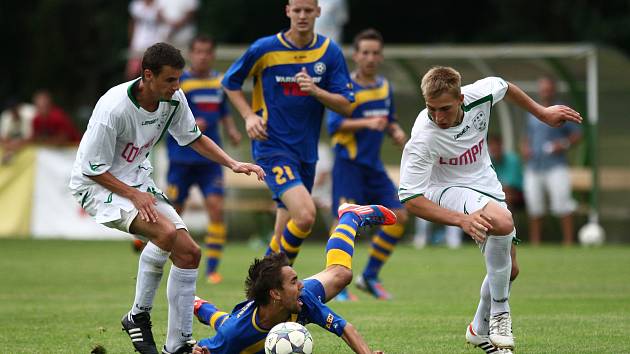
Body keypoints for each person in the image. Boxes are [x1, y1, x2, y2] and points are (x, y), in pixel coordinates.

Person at [68, 43, 264, 354]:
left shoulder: (173, 100)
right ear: (147, 76)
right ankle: (138, 315)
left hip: (136, 182)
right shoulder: (113, 108)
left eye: (178, 79)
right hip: (98, 187)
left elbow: (193, 137)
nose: (177, 87)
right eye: (170, 80)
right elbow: (91, 169)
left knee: (189, 253)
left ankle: (177, 346)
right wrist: (134, 195)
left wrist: (233, 163)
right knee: (166, 233)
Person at [398, 66, 582, 353]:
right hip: (443, 189)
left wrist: (542, 113)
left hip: (485, 182)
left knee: (510, 271)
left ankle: (477, 329)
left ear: (460, 98)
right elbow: (410, 197)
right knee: (502, 221)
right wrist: (461, 219)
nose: (438, 116)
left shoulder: (479, 95)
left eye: (444, 108)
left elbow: (505, 86)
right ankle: (500, 314)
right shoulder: (423, 136)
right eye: (431, 109)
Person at [222, 0, 355, 265]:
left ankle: (269, 283)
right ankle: (276, 280)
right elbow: (230, 82)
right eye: (297, 10)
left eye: (308, 10)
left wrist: (316, 91)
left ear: (318, 12)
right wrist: (248, 116)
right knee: (305, 215)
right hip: (272, 147)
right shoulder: (265, 48)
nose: (303, 16)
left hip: (306, 151)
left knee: (284, 231)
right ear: (288, 12)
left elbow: (347, 105)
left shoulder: (329, 52)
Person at [191, 203, 395, 354]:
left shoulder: (302, 298)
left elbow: (344, 328)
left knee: (342, 274)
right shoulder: (234, 335)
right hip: (237, 324)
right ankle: (196, 303)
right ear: (275, 293)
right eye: (293, 281)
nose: (302, 284)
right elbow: (202, 348)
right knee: (221, 320)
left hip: (258, 313)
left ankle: (351, 216)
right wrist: (197, 350)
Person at [327, 28, 407, 300]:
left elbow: (389, 118)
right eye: (365, 53)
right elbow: (334, 125)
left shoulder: (384, 87)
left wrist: (395, 131)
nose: (370, 58)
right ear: (356, 55)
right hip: (348, 165)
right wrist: (367, 123)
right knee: (345, 223)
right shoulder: (345, 88)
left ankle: (370, 276)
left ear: (381, 56)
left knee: (399, 215)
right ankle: (335, 286)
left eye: (375, 53)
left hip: (373, 167)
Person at [165, 34, 242, 285]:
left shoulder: (219, 82)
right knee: (174, 214)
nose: (203, 56)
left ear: (213, 54)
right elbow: (165, 115)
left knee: (217, 210)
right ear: (191, 53)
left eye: (207, 52)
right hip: (181, 159)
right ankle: (165, 256)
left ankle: (212, 269)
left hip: (210, 162)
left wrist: (230, 129)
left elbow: (223, 111)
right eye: (198, 51)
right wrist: (189, 125)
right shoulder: (178, 82)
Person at [521, 76, 582, 246]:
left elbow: (577, 134)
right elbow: (527, 136)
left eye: (548, 88)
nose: (545, 92)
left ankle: (568, 243)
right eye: (543, 88)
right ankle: (536, 243)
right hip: (534, 165)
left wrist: (563, 144)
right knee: (534, 206)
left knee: (563, 204)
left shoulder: (563, 109)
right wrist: (525, 148)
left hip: (556, 165)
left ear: (554, 90)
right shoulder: (532, 109)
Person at [126, 0, 165, 80]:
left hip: (154, 43)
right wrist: (131, 41)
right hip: (138, 43)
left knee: (151, 71)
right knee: (132, 72)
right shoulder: (137, 5)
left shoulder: (160, 4)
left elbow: (163, 22)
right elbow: (132, 24)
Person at [488, 134, 524, 211]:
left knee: (506, 194)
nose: (494, 148)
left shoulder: (513, 159)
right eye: (491, 145)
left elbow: (512, 183)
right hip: (499, 191)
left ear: (501, 145)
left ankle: (508, 221)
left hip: (518, 192)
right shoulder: (488, 162)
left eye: (496, 145)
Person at [0, 99, 35, 164]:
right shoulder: (6, 115)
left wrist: (12, 148)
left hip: (24, 143)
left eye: (14, 110)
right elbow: (3, 137)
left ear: (19, 108)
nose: (13, 113)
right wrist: (10, 147)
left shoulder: (29, 113)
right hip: (14, 143)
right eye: (11, 111)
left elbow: (30, 137)